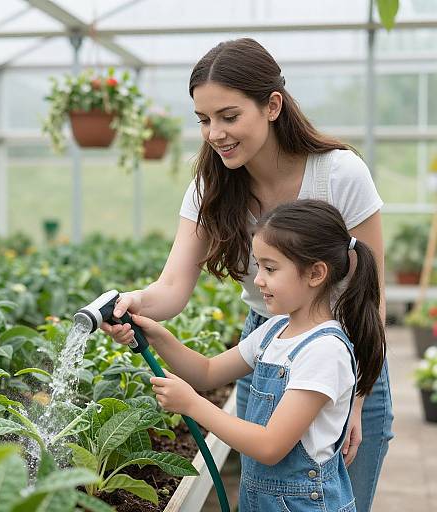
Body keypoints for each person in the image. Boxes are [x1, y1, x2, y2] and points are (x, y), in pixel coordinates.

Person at [102, 38, 393, 511]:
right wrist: (132, 305)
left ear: (273, 105)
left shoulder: (340, 173)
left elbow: (372, 300)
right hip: (269, 342)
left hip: (350, 348)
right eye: (203, 119)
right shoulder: (212, 184)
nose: (215, 133)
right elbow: (172, 288)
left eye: (229, 116)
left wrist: (356, 397)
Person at [114, 200, 386, 511]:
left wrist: (191, 404)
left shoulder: (324, 351)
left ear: (315, 274)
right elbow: (206, 372)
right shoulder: (275, 331)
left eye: (271, 268)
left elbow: (270, 446)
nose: (258, 280)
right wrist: (155, 335)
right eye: (259, 266)